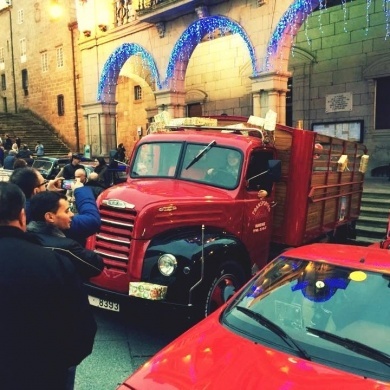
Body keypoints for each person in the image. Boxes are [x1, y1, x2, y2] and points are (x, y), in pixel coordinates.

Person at [0, 182, 97, 390]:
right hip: (43, 375)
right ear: (22, 216)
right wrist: (58, 365)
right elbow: (83, 329)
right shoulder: (55, 262)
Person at [10, 167, 101, 245]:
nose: (47, 184)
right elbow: (92, 220)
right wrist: (80, 190)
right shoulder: (47, 216)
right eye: (44, 182)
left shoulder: (11, 212)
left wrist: (49, 193)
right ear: (36, 191)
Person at [27, 191, 104, 280]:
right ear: (50, 217)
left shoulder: (24, 236)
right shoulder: (67, 247)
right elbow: (96, 266)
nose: (72, 214)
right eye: (67, 211)